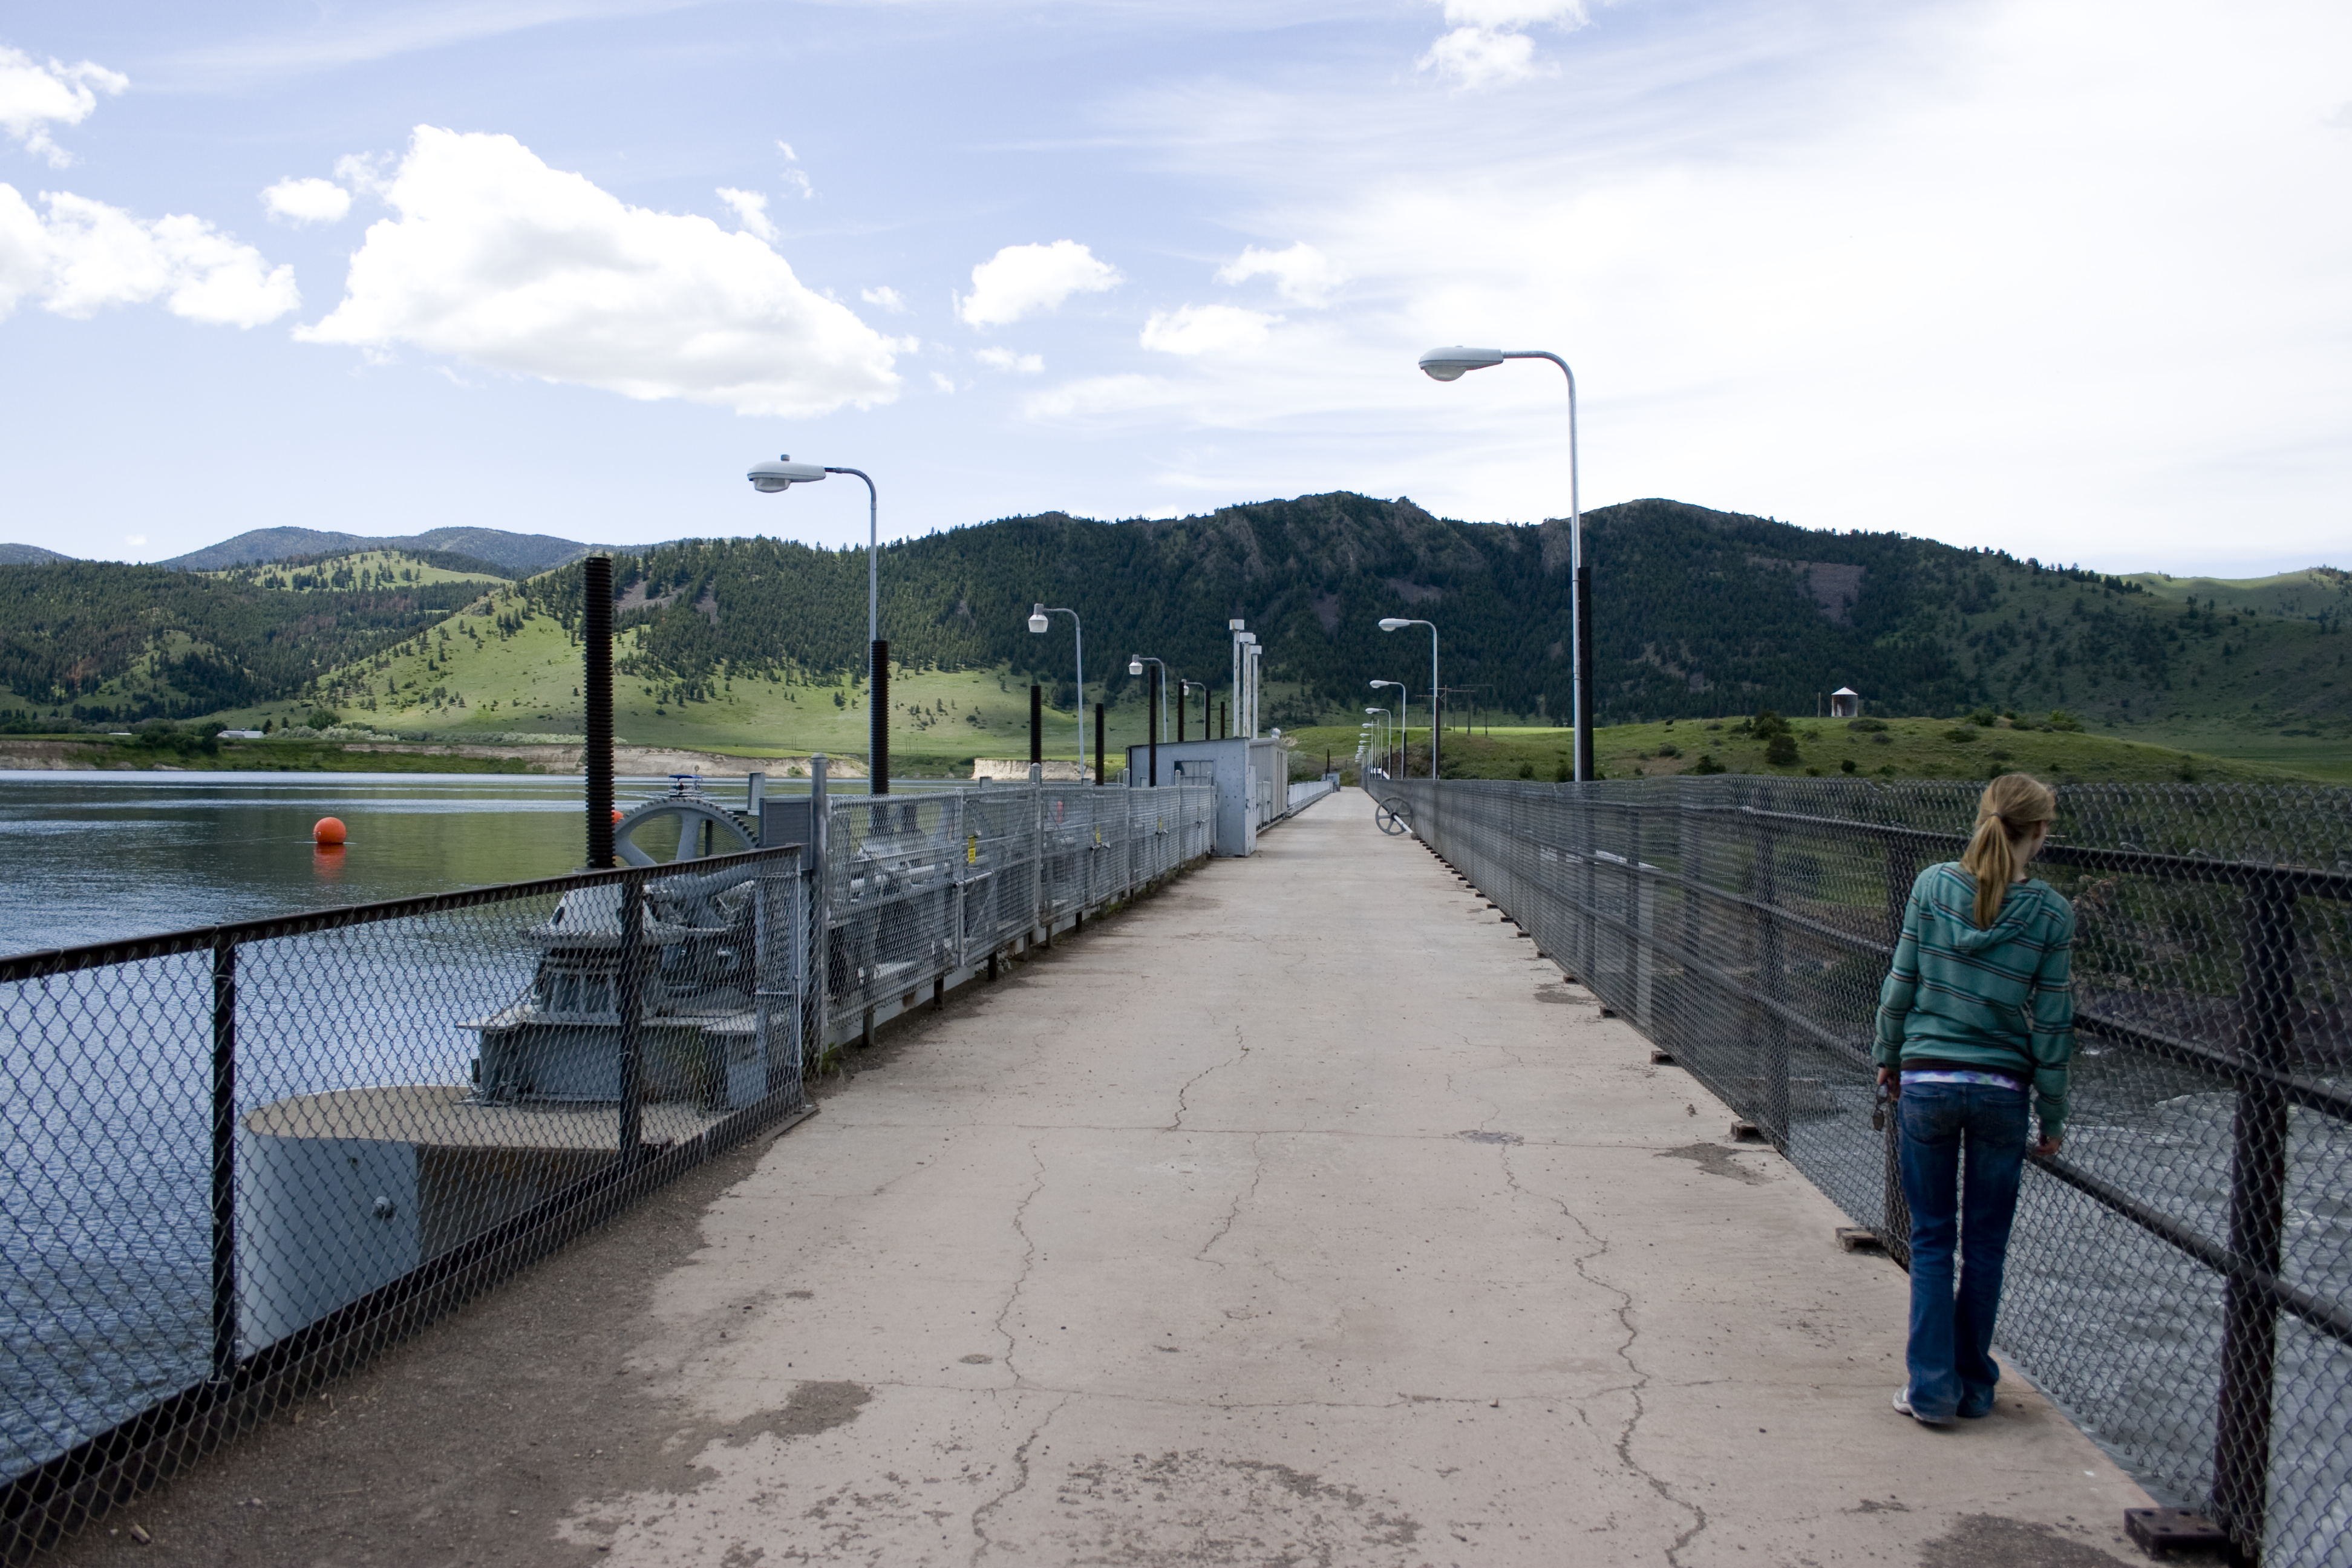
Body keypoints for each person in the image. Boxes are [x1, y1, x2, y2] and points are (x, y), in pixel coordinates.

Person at [1873, 773, 2074, 1426]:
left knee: (1932, 1239)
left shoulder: (1933, 886)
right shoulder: (2050, 913)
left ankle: (1930, 1391)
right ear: (2038, 834)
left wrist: (1888, 1057)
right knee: (1986, 1245)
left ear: (1983, 818)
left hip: (1928, 1079)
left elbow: (1902, 980)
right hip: (2001, 1092)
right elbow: (2052, 1022)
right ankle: (1975, 1385)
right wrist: (2053, 1111)